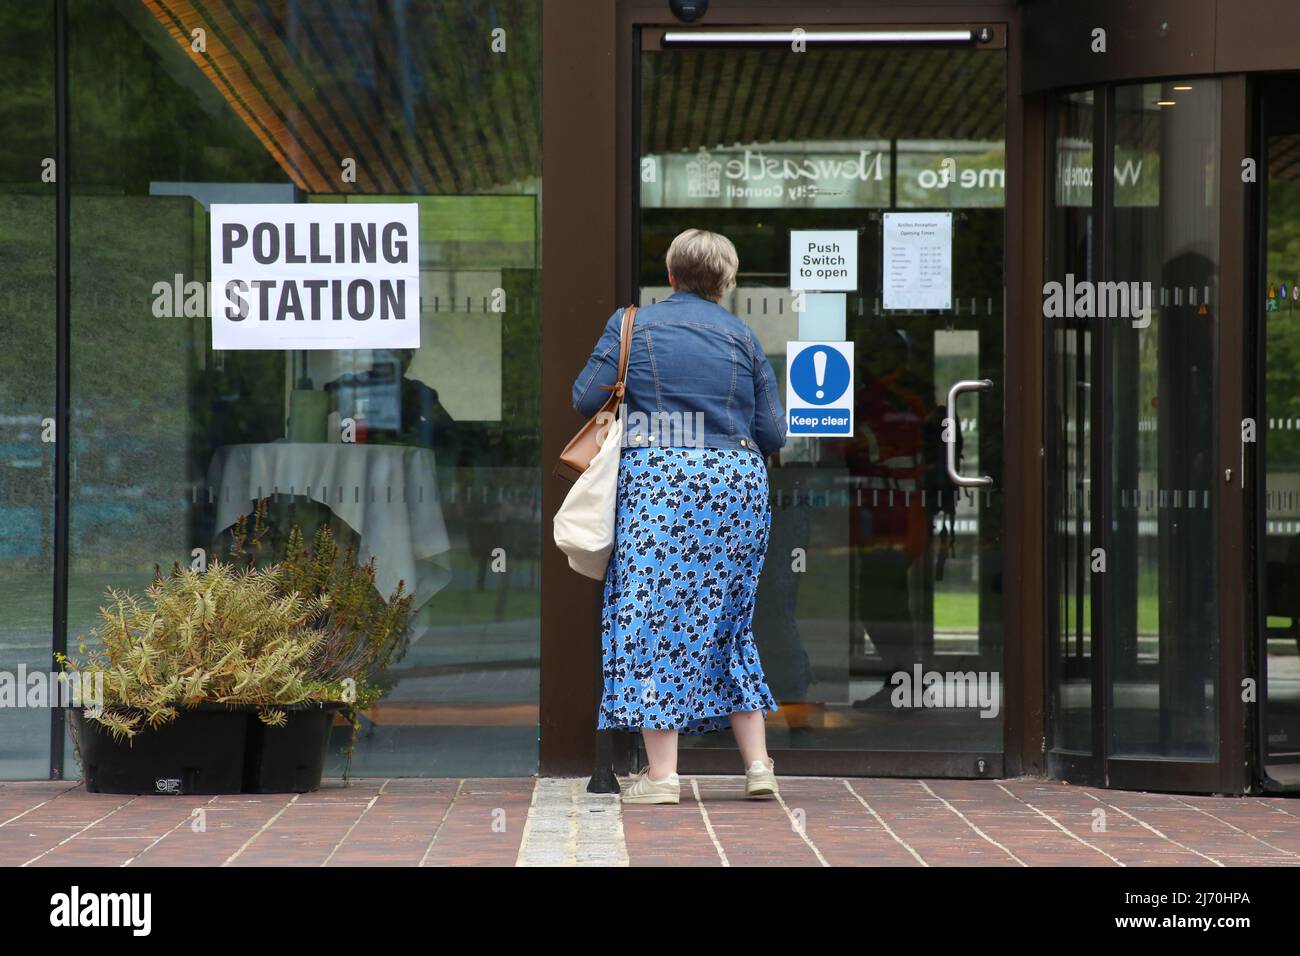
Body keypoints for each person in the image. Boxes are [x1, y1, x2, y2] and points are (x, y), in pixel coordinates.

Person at [571, 228, 787, 805]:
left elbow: (585, 397)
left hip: (660, 484)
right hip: (736, 484)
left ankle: (664, 778)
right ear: (726, 281)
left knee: (650, 623)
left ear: (670, 276)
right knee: (731, 624)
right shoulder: (742, 336)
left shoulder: (631, 325)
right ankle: (759, 766)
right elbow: (773, 433)